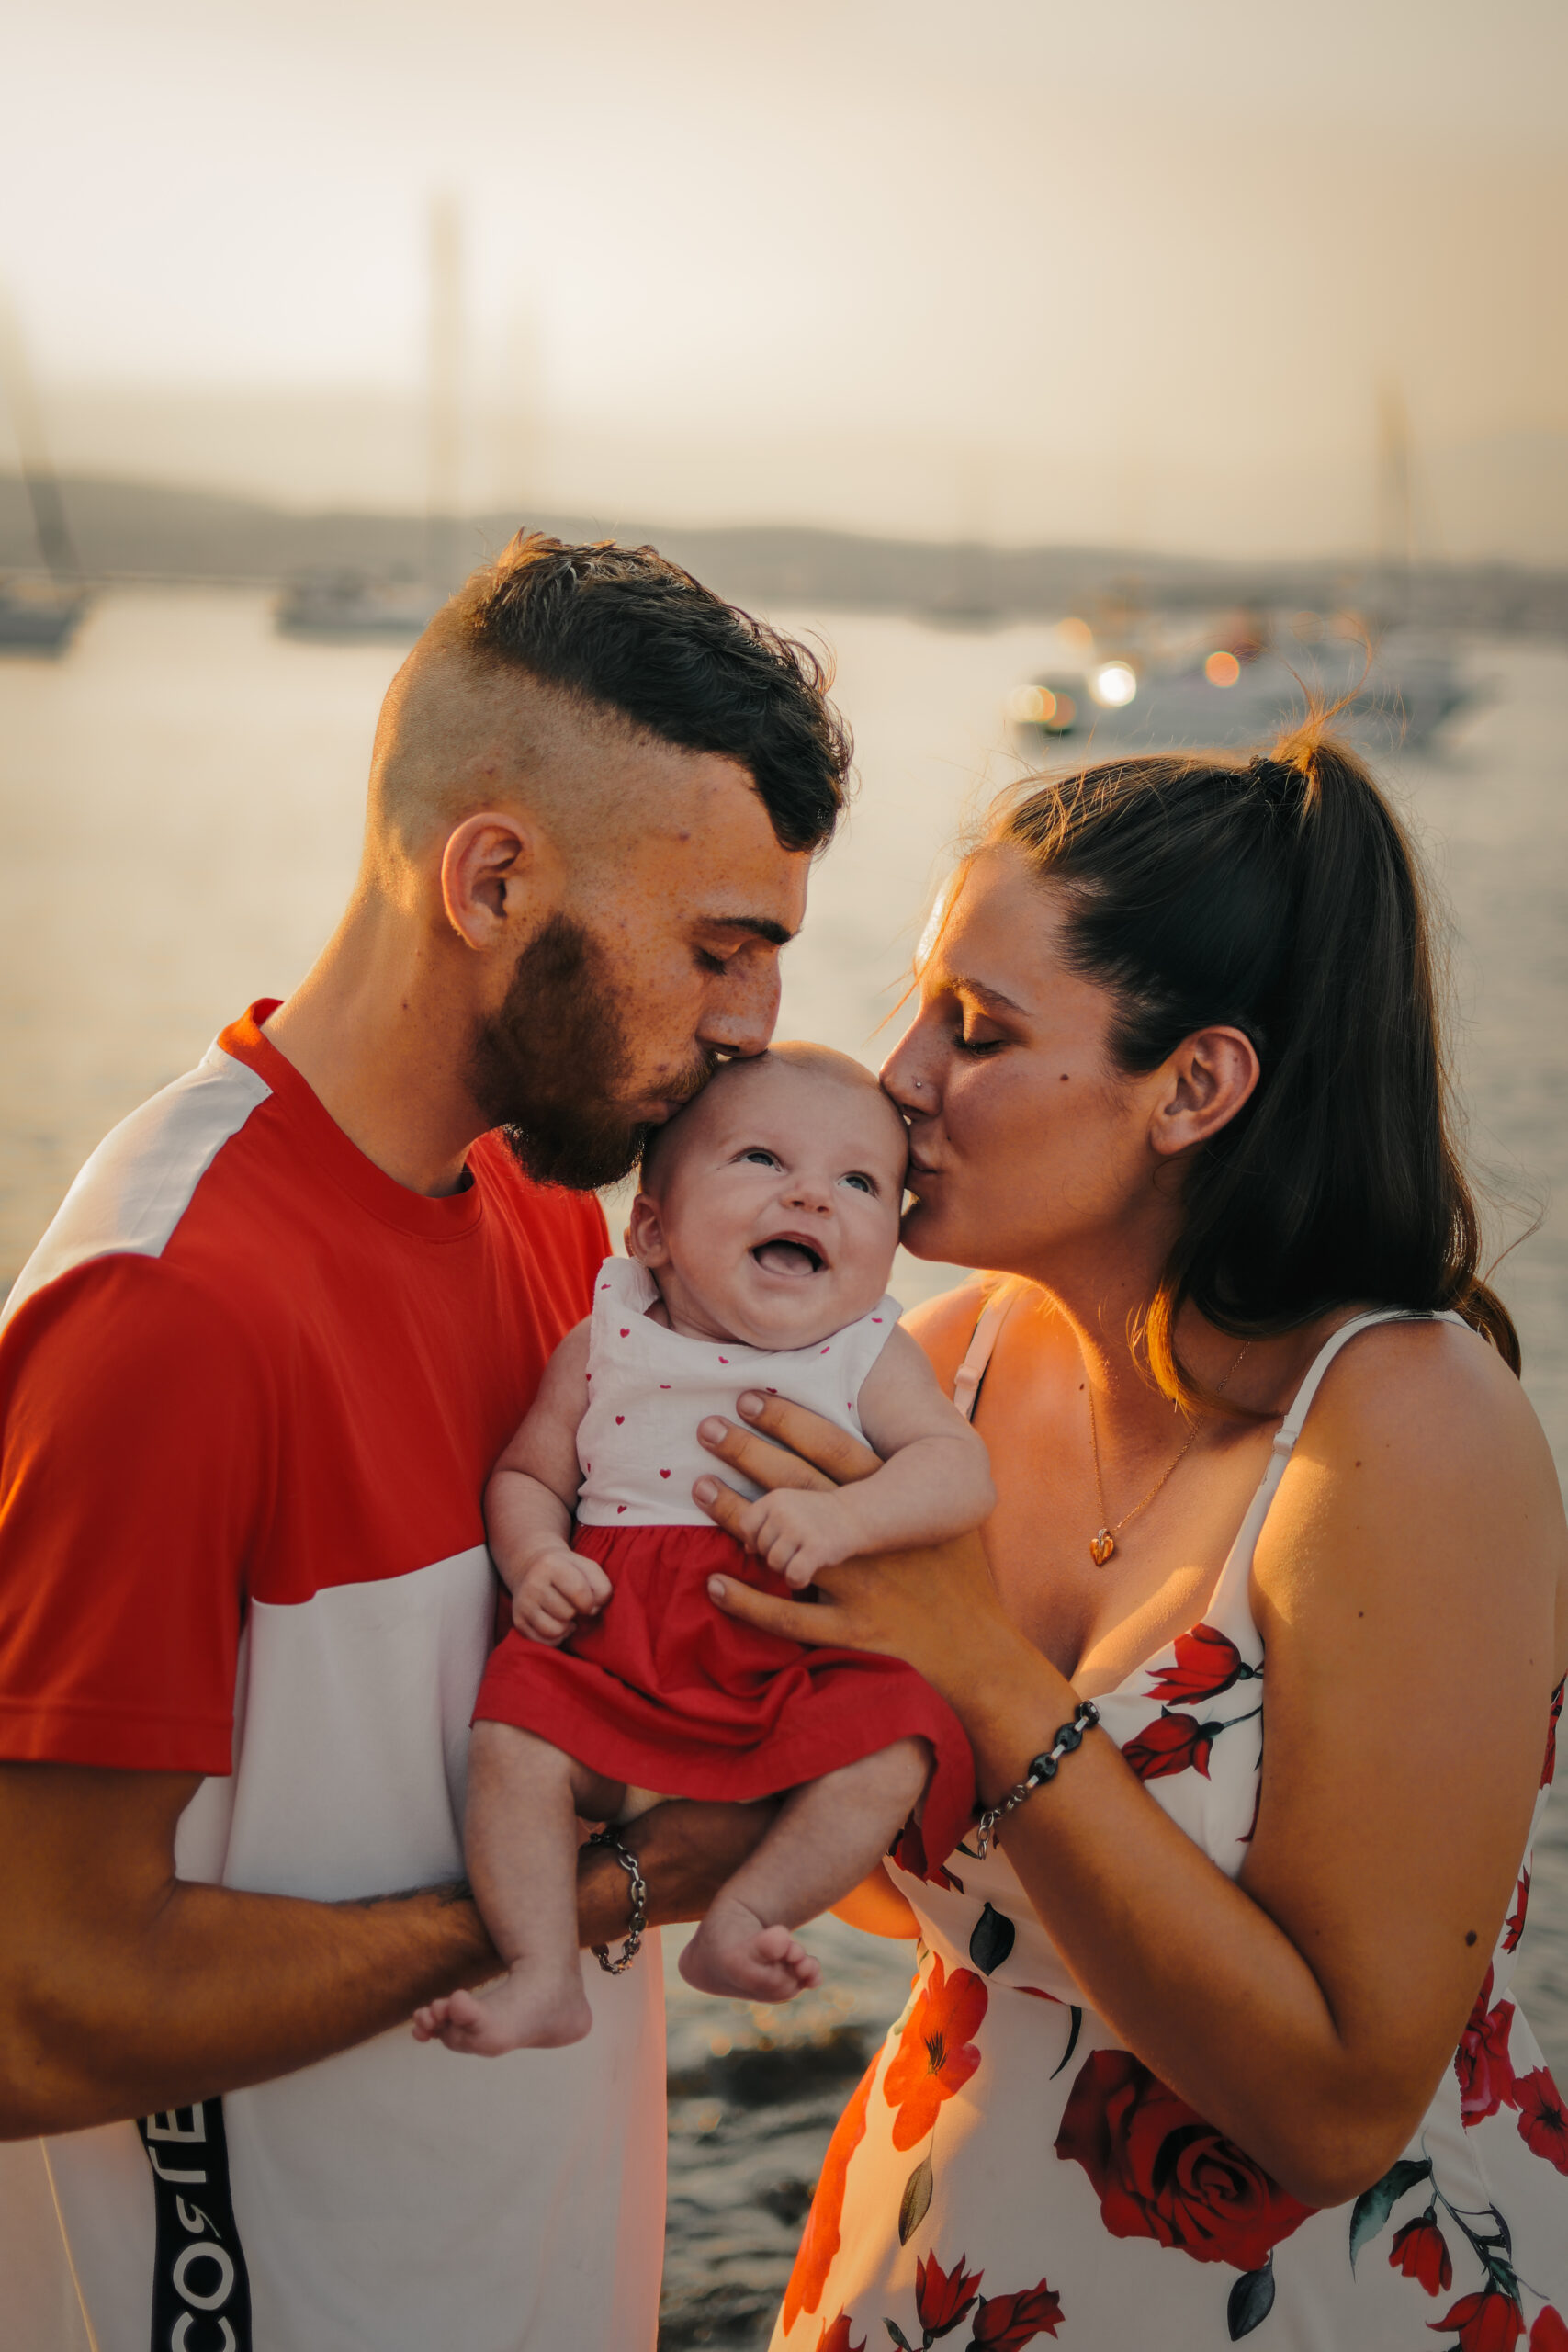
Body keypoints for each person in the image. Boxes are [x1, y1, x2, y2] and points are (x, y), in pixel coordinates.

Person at [0, 533, 855, 2352]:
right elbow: (34, 2003)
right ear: (488, 876)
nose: (749, 1026)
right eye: (717, 946)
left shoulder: (552, 1220)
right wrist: (615, 1890)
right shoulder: (170, 1310)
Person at [696, 727, 1568, 2349]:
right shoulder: (931, 1370)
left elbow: (1331, 2111)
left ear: (1195, 1088)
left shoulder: (1405, 1431)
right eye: (918, 1001)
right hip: (925, 2261)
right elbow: (925, 1890)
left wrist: (975, 1666)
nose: (896, 1074)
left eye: (979, 1028)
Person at [412, 1044, 989, 2054]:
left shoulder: (864, 1354)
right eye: (762, 1160)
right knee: (511, 1738)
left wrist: (845, 1520)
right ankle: (544, 1970)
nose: (812, 1197)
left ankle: (743, 1916)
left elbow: (956, 1470)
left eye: (859, 1182)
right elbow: (527, 1477)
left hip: (789, 1660)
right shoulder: (606, 1341)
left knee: (900, 1739)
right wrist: (538, 1559)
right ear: (653, 1229)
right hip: (617, 1650)